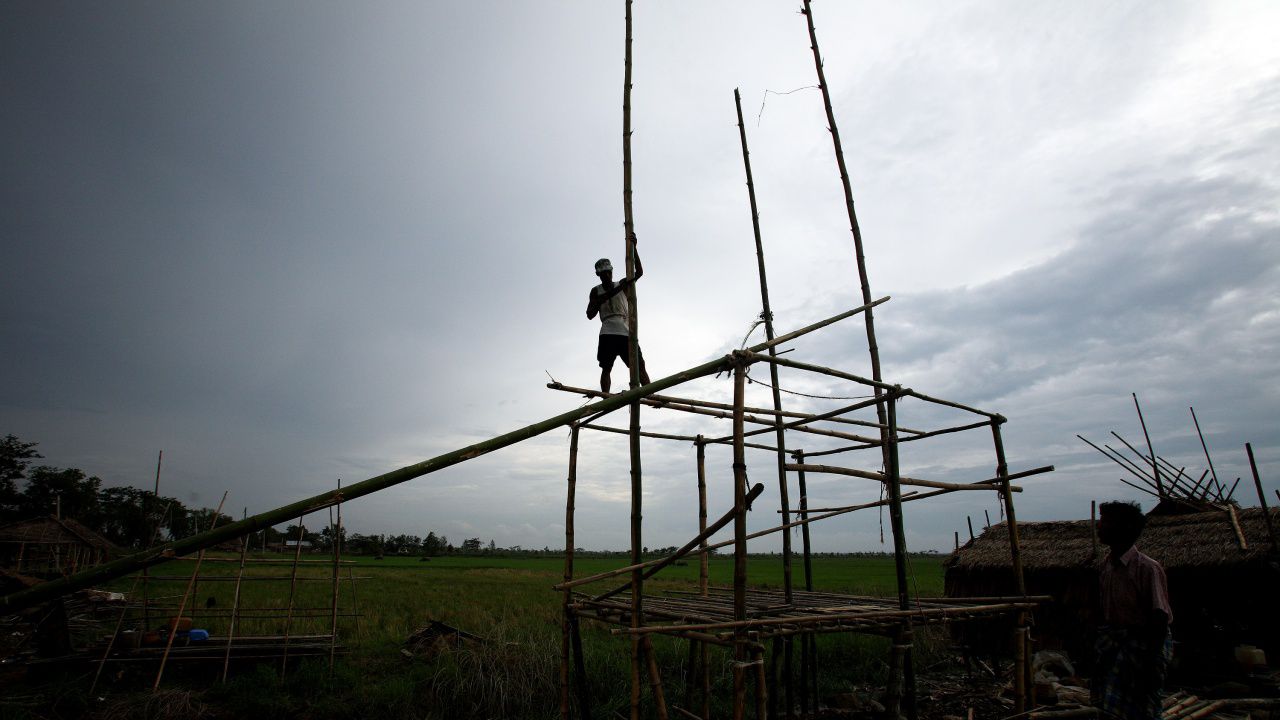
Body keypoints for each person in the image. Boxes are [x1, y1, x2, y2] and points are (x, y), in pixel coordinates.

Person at [1092, 501, 1173, 720]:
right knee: (1111, 707)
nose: (1099, 526)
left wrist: (1150, 663)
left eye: (1105, 522)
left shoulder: (1146, 568)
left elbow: (1159, 617)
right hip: (1116, 642)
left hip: (1143, 647)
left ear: (1123, 529)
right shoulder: (1106, 566)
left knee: (1141, 706)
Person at [586, 234, 651, 393]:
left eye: (608, 272)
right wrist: (603, 298)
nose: (607, 275)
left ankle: (650, 393)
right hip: (607, 331)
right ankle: (605, 396)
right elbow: (590, 314)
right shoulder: (596, 291)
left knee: (638, 366)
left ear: (611, 271)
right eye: (603, 273)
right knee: (606, 367)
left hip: (625, 331)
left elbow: (639, 272)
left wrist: (634, 248)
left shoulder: (622, 284)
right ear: (598, 275)